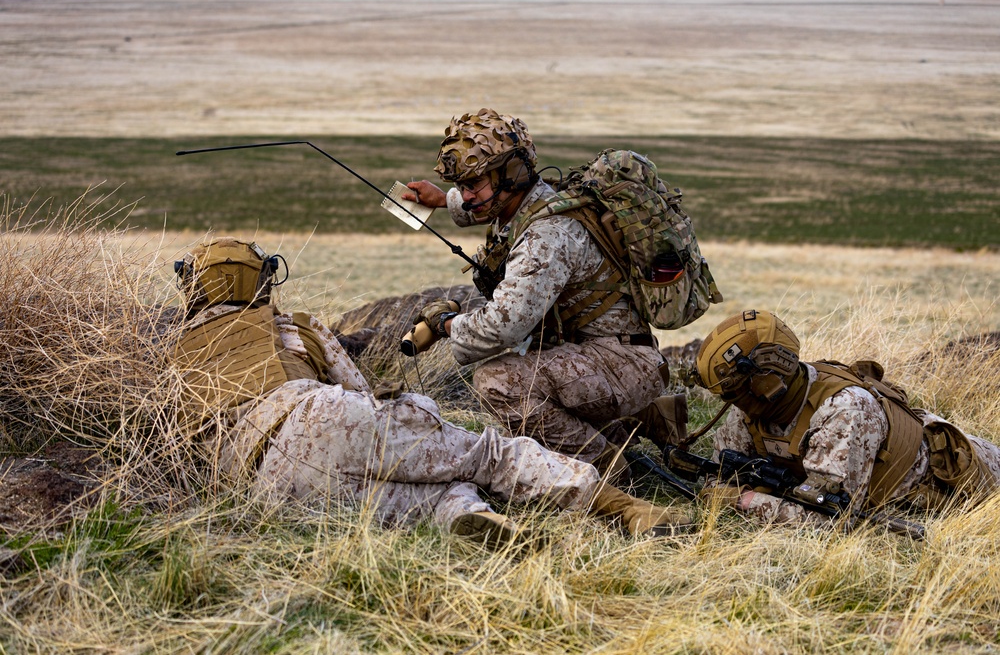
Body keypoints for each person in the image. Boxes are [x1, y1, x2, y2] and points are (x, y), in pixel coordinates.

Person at [170, 237, 693, 546]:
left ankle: (465, 515)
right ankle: (624, 509)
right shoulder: (288, 326)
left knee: (399, 499)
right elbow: (354, 388)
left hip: (259, 476)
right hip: (318, 413)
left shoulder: (179, 357)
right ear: (258, 283)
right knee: (485, 453)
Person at [403, 108, 683, 478]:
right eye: (462, 186)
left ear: (511, 174)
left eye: (473, 184)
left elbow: (502, 328)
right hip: (602, 352)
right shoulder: (537, 199)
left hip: (620, 361)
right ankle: (644, 420)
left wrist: (447, 324)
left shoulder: (546, 237)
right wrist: (444, 200)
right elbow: (484, 204)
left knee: (499, 383)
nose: (467, 196)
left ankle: (609, 469)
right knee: (531, 361)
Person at [693, 309, 1000, 524]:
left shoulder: (844, 411)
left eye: (734, 392)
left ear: (766, 381)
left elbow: (830, 520)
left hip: (963, 477)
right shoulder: (753, 409)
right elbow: (718, 476)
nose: (731, 402)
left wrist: (744, 501)